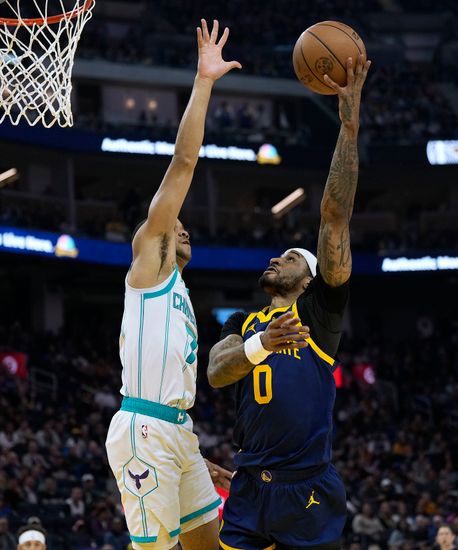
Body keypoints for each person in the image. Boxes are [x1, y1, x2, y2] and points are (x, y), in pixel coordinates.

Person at [207, 53, 371, 549]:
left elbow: (334, 217)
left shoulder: (320, 314)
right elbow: (217, 372)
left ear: (310, 277)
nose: (279, 259)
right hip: (250, 486)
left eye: (292, 257)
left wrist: (347, 128)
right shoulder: (244, 319)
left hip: (307, 489)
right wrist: (262, 343)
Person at [104, 18, 239, 550]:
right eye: (173, 221)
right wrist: (204, 81)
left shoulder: (180, 293)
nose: (180, 225)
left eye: (184, 226)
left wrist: (192, 452)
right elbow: (184, 162)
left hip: (177, 432)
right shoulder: (150, 262)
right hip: (145, 432)